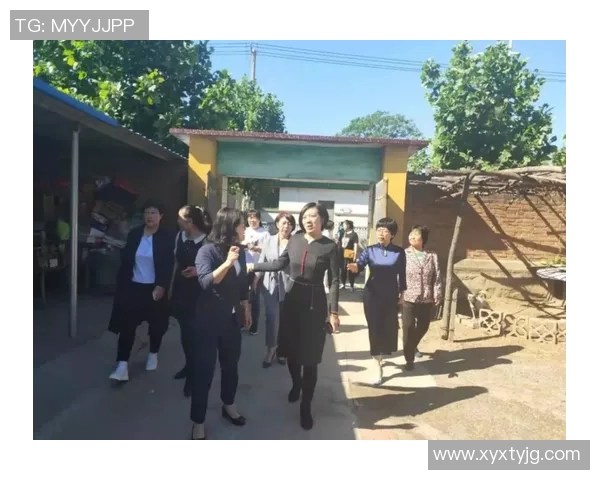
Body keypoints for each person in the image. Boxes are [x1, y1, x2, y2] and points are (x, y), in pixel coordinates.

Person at [248, 202, 340, 431]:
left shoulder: (330, 246)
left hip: (314, 305)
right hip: (291, 301)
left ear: (322, 219)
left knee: (310, 358)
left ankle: (305, 406)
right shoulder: (295, 239)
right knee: (290, 351)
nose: (309, 220)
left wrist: (333, 312)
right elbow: (280, 263)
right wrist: (254, 267)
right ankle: (296, 384)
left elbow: (335, 281)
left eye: (313, 216)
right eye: (305, 216)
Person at [190, 207, 252, 440]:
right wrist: (227, 263)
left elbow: (242, 282)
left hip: (232, 321)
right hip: (208, 322)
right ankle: (198, 421)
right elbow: (206, 282)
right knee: (203, 372)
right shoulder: (206, 251)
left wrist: (246, 306)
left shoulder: (240, 251)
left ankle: (229, 406)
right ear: (230, 227)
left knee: (231, 367)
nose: (245, 229)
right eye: (242, 225)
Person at [108, 201, 174, 382]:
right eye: (147, 212)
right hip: (133, 287)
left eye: (153, 212)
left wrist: (162, 285)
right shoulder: (135, 234)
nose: (149, 216)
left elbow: (168, 264)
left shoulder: (167, 237)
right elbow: (126, 260)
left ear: (161, 216)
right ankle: (122, 365)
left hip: (155, 289)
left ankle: (153, 353)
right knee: (126, 327)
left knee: (157, 325)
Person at [347, 218, 407, 385]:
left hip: (390, 295)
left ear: (392, 234)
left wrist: (403, 294)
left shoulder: (399, 252)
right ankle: (377, 364)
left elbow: (402, 275)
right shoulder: (370, 250)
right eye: (379, 230)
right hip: (372, 294)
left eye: (385, 231)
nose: (381, 233)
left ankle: (382, 354)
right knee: (374, 328)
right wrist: (355, 267)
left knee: (388, 327)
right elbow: (360, 264)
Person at [170, 205, 212, 397]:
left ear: (191, 222)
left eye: (181, 218)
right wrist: (170, 287)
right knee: (185, 333)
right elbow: (175, 263)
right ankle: (188, 366)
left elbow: (215, 267)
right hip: (181, 290)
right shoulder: (180, 237)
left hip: (199, 293)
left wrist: (197, 271)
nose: (177, 221)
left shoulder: (206, 241)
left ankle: (194, 376)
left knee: (195, 336)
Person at [253, 212, 295, 368]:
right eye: (284, 223)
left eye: (289, 223)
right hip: (269, 283)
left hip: (288, 284)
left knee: (285, 319)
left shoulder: (295, 242)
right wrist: (256, 279)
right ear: (277, 224)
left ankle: (282, 350)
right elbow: (262, 260)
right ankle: (271, 349)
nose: (286, 226)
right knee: (270, 317)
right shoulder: (269, 240)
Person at [400, 225, 442, 371]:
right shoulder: (403, 254)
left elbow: (437, 276)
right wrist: (398, 293)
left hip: (426, 297)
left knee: (424, 326)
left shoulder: (432, 255)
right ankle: (409, 359)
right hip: (408, 296)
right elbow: (399, 275)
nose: (412, 237)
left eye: (416, 235)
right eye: (411, 234)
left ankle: (411, 346)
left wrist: (437, 294)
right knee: (408, 327)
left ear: (423, 239)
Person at [243, 209, 270, 335]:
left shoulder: (265, 234)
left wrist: (254, 248)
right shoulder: (244, 231)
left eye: (255, 217)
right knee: (242, 296)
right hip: (243, 268)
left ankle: (254, 326)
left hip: (257, 269)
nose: (252, 220)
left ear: (259, 219)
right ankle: (243, 322)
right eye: (250, 217)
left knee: (254, 298)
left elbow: (267, 252)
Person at [340, 220, 359, 291]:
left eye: (344, 225)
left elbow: (355, 245)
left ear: (348, 225)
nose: (343, 226)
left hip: (350, 254)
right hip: (342, 254)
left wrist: (355, 255)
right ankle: (343, 284)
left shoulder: (354, 234)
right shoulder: (343, 233)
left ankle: (351, 285)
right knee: (343, 270)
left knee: (350, 270)